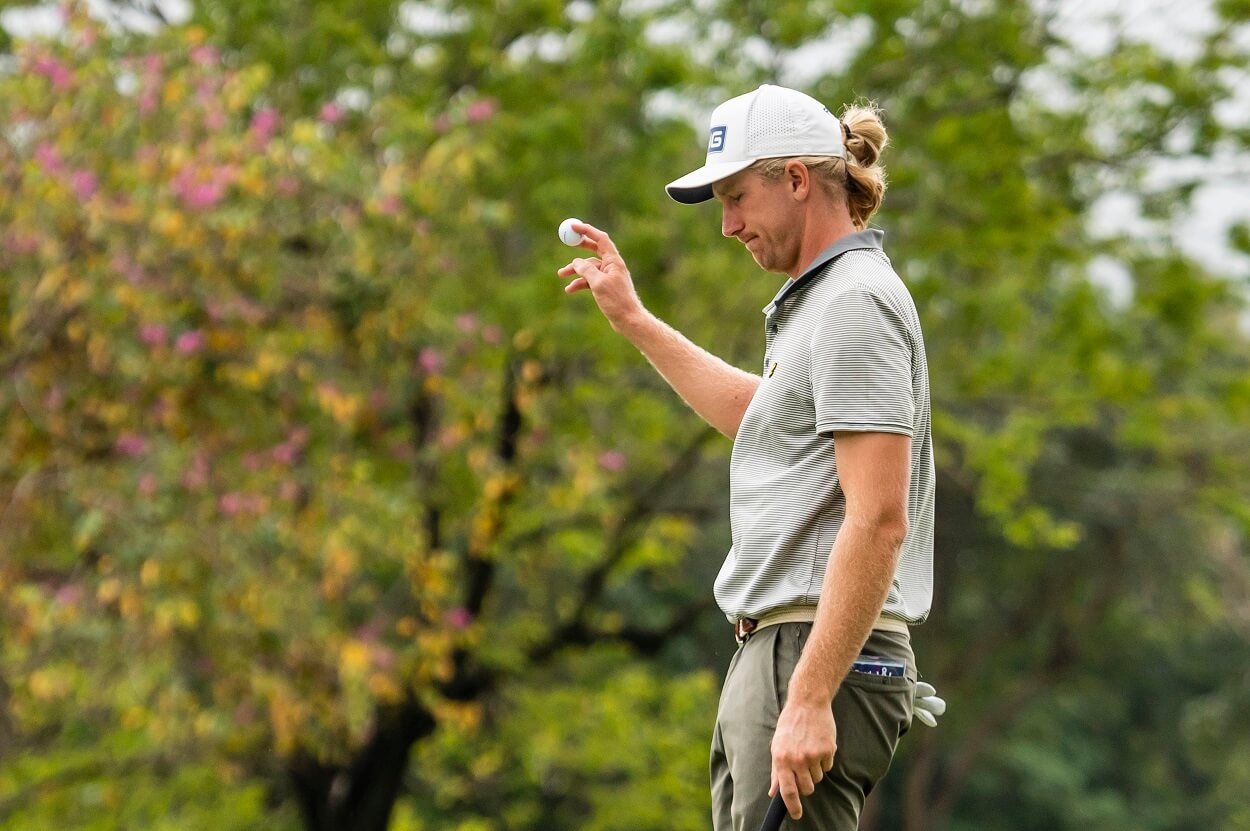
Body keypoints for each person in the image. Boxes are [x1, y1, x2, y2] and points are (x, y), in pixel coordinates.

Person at [557, 84, 934, 830]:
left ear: (796, 179)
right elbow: (760, 420)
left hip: (810, 650)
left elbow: (879, 517)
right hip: (783, 651)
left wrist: (811, 695)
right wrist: (634, 321)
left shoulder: (854, 303)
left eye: (736, 197)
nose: (727, 226)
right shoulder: (823, 302)